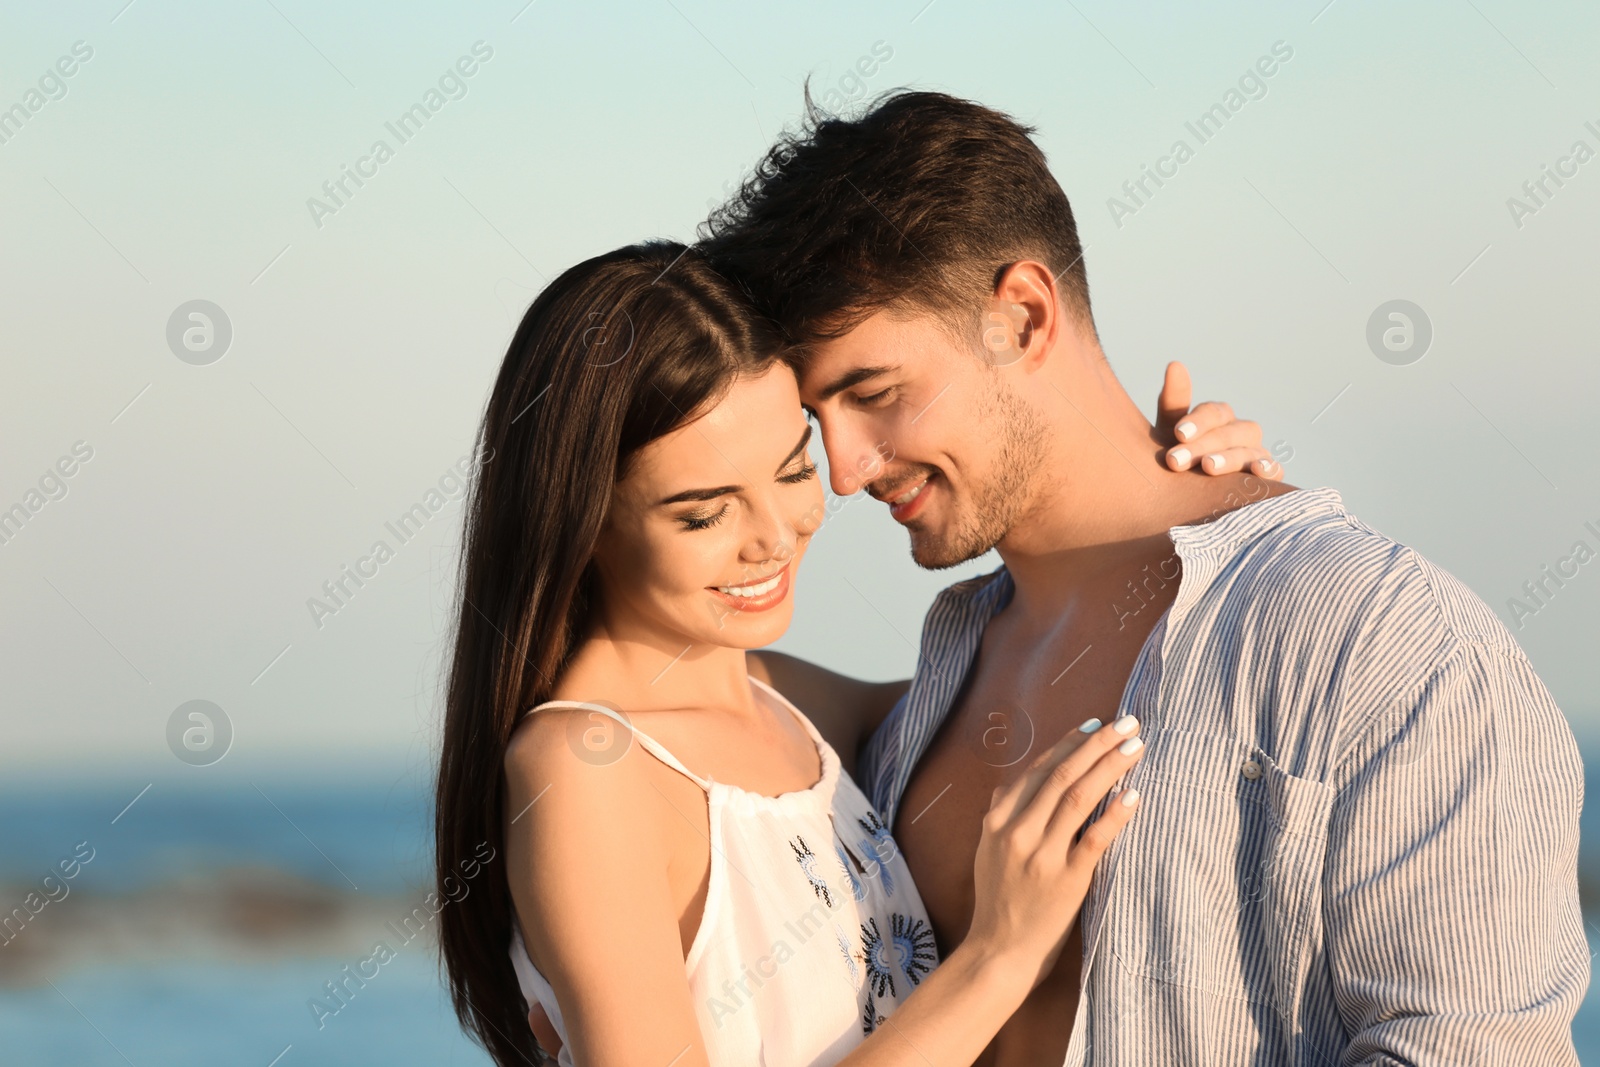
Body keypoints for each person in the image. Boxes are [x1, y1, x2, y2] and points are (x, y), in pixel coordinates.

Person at [696, 90, 1588, 1064]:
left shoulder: (1376, 641)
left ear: (1022, 316)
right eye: (816, 421)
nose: (847, 467)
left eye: (873, 394)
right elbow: (630, 687)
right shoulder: (920, 703)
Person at [433, 241, 1279, 1066]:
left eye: (792, 471)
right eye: (703, 513)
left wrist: (1188, 499)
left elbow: (1061, 670)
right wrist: (998, 958)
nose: (774, 537)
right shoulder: (585, 769)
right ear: (582, 526)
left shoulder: (801, 711)